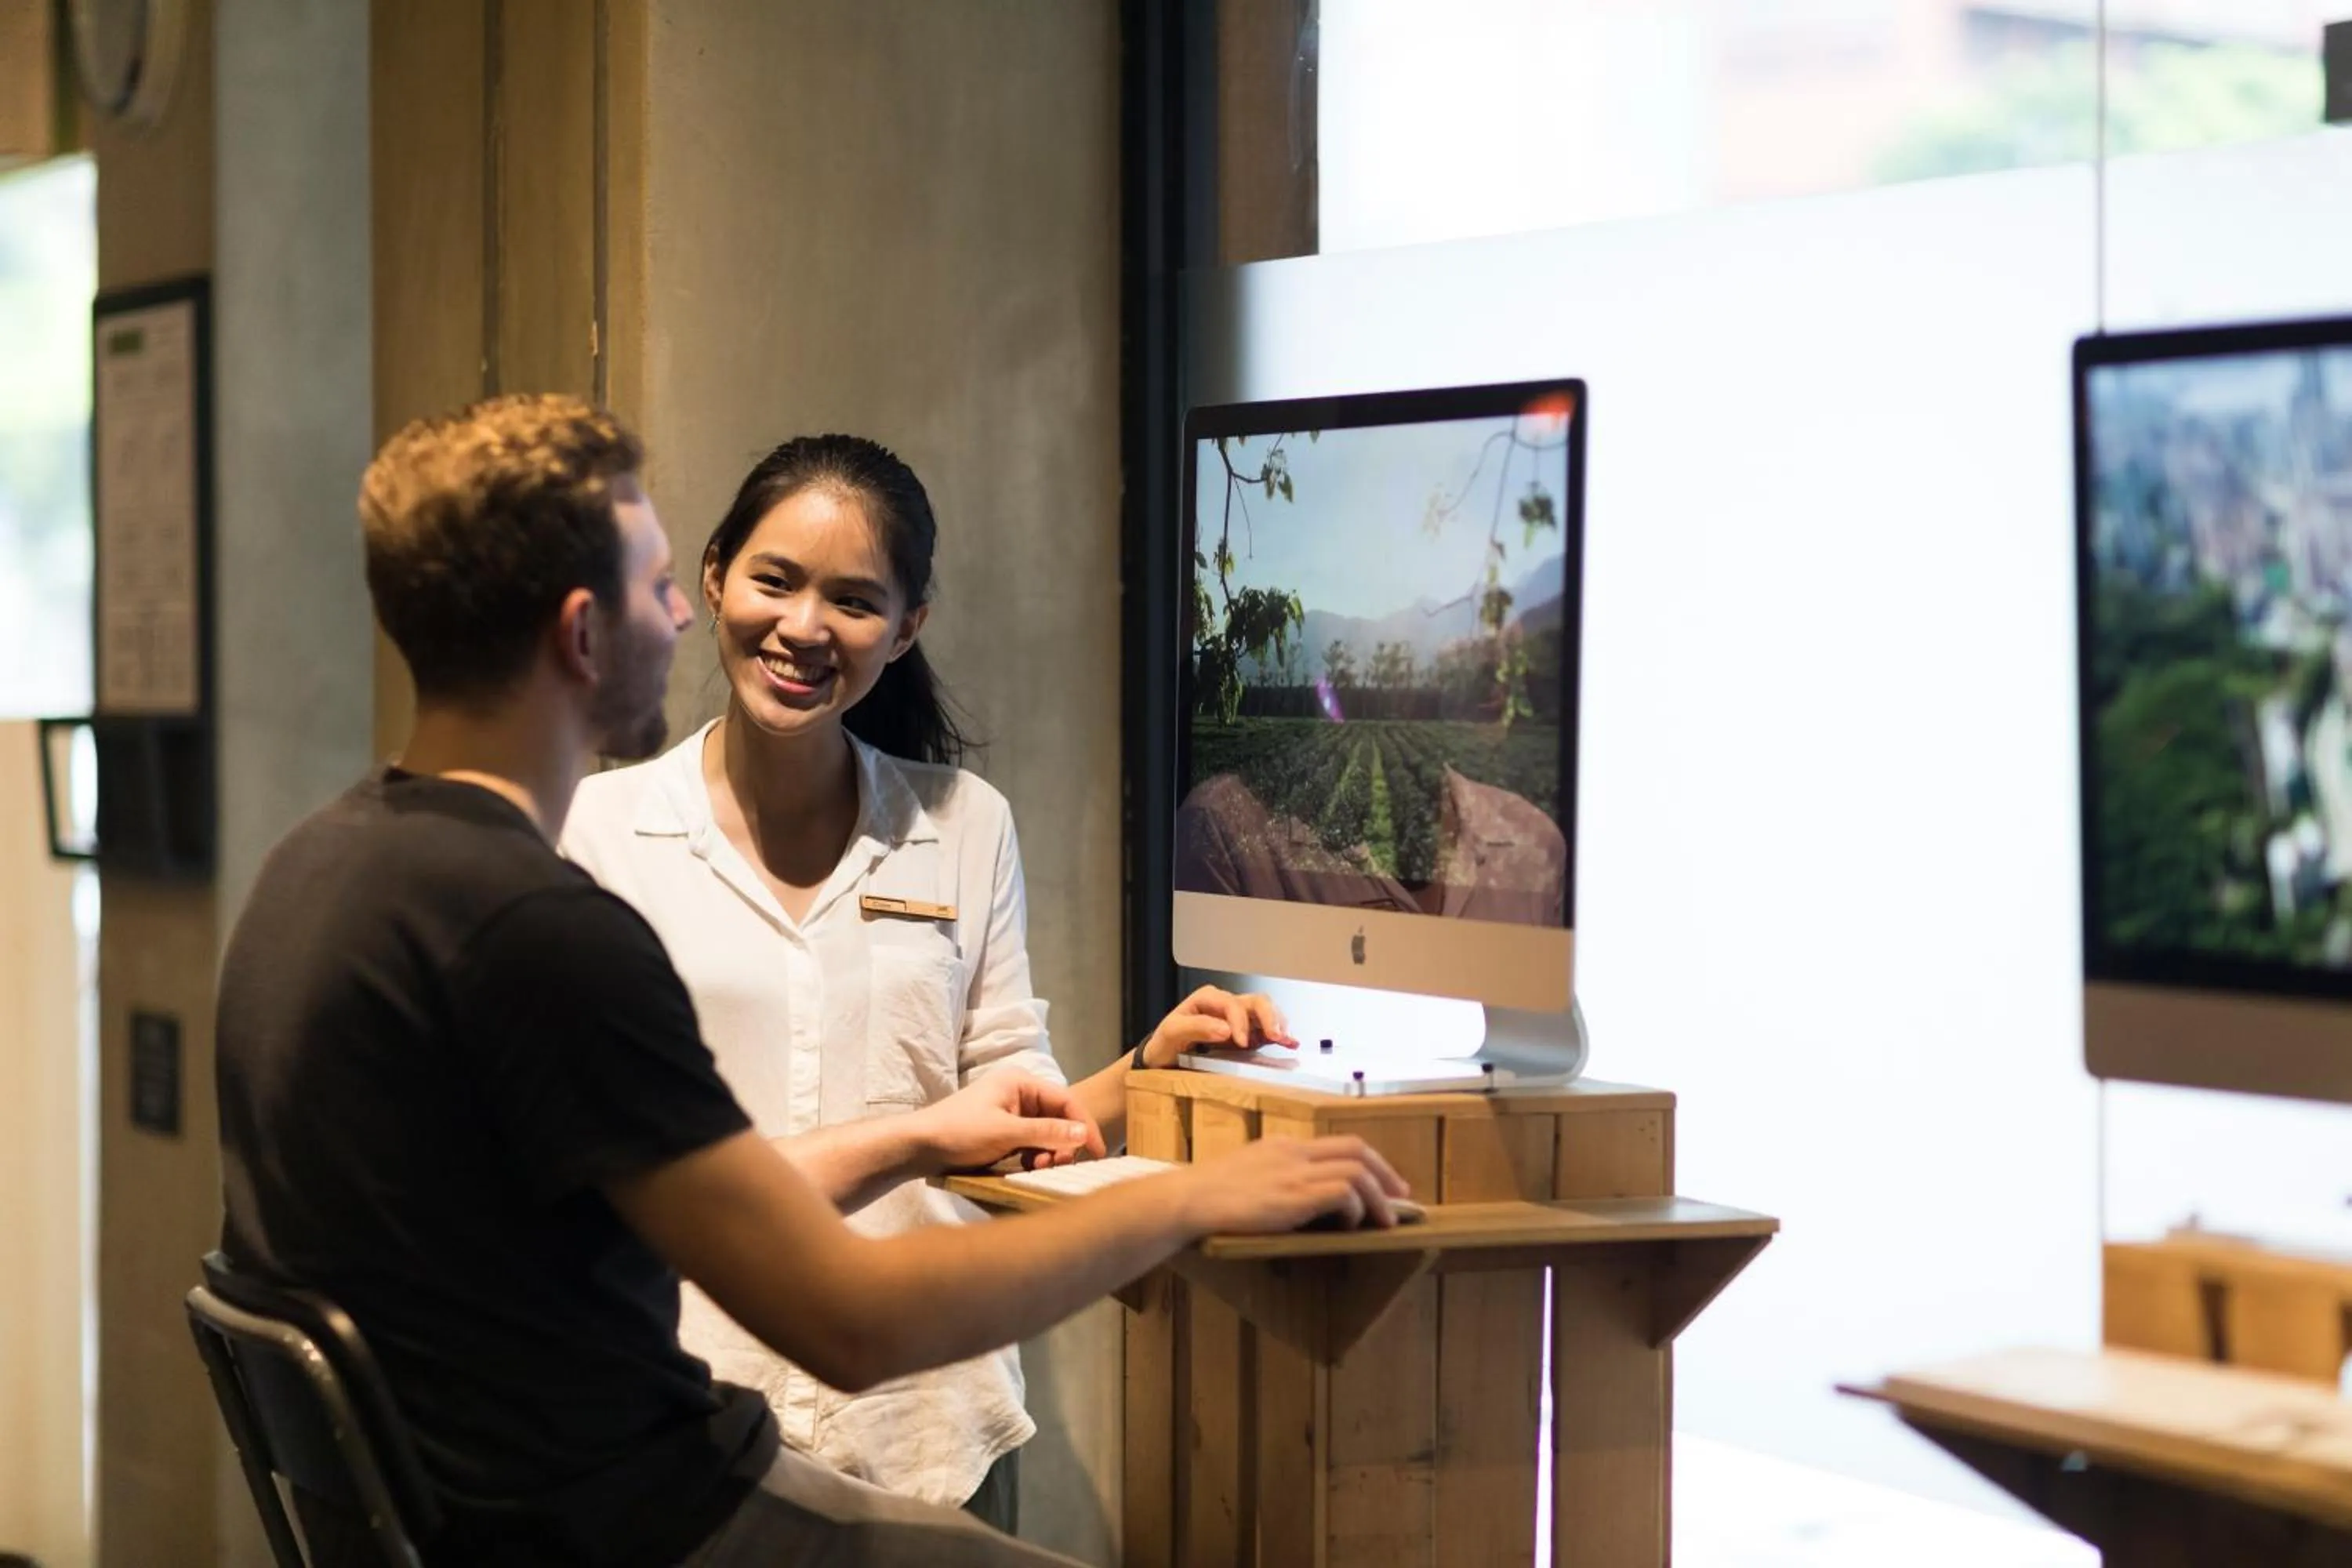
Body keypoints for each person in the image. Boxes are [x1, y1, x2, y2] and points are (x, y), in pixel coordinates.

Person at [214, 394, 1408, 1568]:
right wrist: (1194, 1199)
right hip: (643, 1519)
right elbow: (851, 1317)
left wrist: (1117, 1090)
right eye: (663, 582)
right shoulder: (540, 928)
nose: (687, 614)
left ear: (906, 625)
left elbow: (702, 1190)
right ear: (583, 633)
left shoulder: (314, 869)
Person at [561, 433, 1282, 1529]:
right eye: (774, 580)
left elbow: (1004, 1127)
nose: (805, 627)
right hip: (683, 1426)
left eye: (854, 601)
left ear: (907, 629)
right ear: (713, 579)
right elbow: (614, 1185)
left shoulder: (965, 825)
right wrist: (926, 1136)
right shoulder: (603, 834)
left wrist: (1148, 1070)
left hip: (927, 1430)